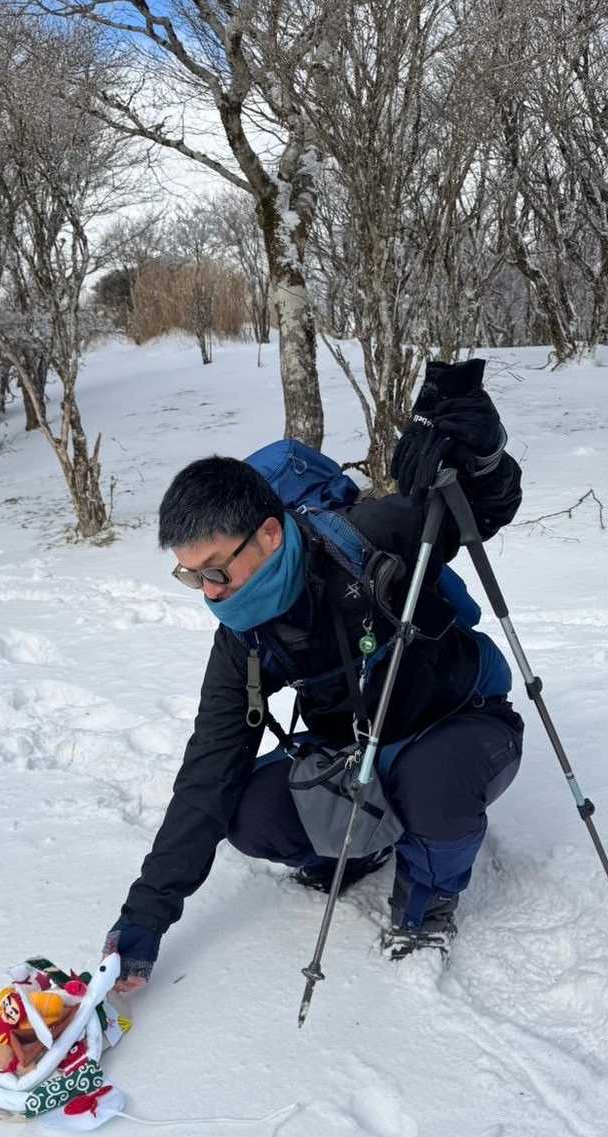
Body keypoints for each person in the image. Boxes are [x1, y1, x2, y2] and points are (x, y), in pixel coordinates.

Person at [105, 359, 524, 993]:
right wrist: (145, 918)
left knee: (432, 780)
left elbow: (485, 507)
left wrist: (484, 454)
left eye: (215, 569)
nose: (209, 591)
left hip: (460, 723)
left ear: (270, 535)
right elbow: (209, 770)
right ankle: (366, 846)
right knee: (250, 813)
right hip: (356, 747)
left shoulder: (365, 542)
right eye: (192, 576)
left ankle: (427, 903)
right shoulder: (243, 637)